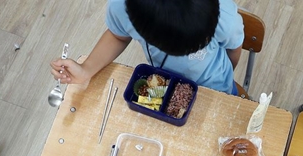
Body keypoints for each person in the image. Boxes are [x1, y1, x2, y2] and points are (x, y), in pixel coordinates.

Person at [49, 0, 244, 95]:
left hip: (216, 88)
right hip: (164, 85)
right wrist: (86, 69)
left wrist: (227, 77)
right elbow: (118, 36)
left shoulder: (225, 16)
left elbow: (233, 51)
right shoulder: (122, 9)